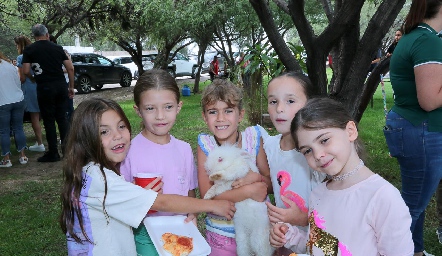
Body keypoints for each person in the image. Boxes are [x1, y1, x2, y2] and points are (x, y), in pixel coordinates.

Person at [60, 97, 236, 255]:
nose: (117, 136)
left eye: (121, 126)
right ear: (85, 139)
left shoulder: (89, 174)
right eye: (104, 132)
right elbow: (163, 202)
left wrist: (139, 196)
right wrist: (212, 205)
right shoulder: (101, 179)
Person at [270, 97, 413, 255]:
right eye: (307, 150)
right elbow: (327, 247)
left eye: (324, 140)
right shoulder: (318, 194)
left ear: (350, 131)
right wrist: (291, 236)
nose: (318, 155)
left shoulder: (382, 197)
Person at [120, 69, 198, 256]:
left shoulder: (185, 149)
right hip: (143, 235)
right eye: (150, 108)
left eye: (168, 107)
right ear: (138, 110)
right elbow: (120, 203)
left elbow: (190, 193)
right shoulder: (128, 151)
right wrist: (137, 197)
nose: (160, 116)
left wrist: (192, 213)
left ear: (179, 107)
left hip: (180, 233)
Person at [386, 0, 442, 255]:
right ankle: (390, 249)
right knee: (411, 207)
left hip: (412, 128)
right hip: (420, 131)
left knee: (414, 201)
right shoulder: (427, 40)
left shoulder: (417, 36)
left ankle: (415, 251)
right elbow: (430, 101)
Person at [197, 79, 271, 256]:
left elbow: (270, 184)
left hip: (258, 229)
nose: (221, 118)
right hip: (221, 234)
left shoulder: (253, 140)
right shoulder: (206, 146)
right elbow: (208, 198)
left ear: (241, 115)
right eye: (213, 112)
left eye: (228, 111)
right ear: (205, 117)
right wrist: (249, 191)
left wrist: (258, 179)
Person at [260, 72, 325, 254]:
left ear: (309, 105)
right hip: (284, 239)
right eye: (273, 101)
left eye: (290, 101)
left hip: (319, 244)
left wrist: (302, 219)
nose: (279, 109)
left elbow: (337, 212)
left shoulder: (318, 156)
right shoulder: (269, 146)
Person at [22, 24, 75, 162]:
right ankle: (67, 150)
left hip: (44, 87)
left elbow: (26, 70)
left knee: (49, 120)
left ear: (34, 36)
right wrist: (71, 86)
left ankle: (53, 152)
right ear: (47, 34)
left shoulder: (29, 49)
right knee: (62, 119)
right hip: (60, 85)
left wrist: (33, 79)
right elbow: (70, 68)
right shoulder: (57, 48)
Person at [14, 35, 45, 152]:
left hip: (29, 88)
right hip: (41, 86)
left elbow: (21, 77)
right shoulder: (37, 55)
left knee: (34, 117)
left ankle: (39, 142)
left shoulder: (21, 57)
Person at [0, 51, 28, 167]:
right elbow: (18, 81)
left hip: (3, 102)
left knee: (4, 130)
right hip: (17, 99)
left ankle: (7, 159)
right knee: (18, 128)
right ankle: (23, 156)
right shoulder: (9, 65)